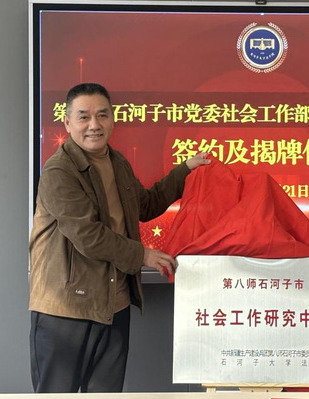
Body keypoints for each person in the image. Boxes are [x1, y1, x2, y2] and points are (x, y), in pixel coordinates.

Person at [28, 83, 210, 393]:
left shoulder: (117, 163)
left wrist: (186, 170)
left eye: (102, 115)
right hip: (66, 310)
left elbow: (146, 205)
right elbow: (88, 236)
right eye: (83, 117)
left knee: (107, 395)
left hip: (114, 305)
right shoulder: (59, 172)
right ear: (67, 123)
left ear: (112, 120)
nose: (94, 125)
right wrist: (143, 255)